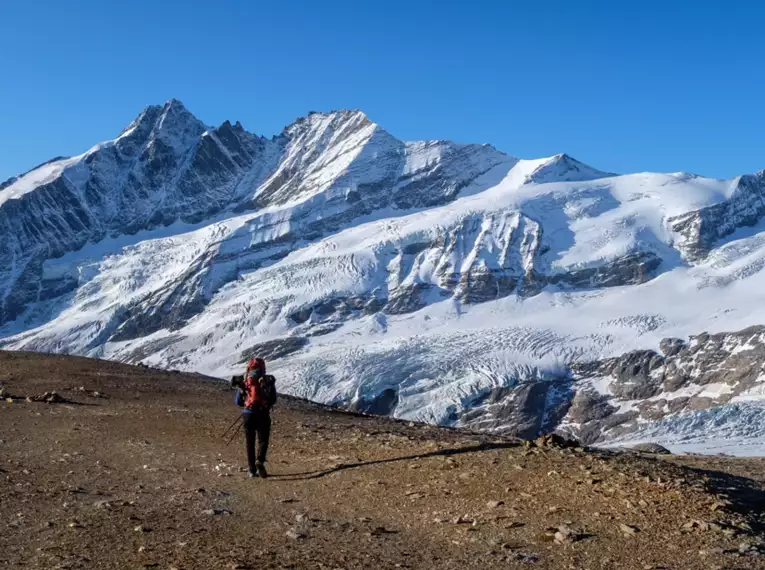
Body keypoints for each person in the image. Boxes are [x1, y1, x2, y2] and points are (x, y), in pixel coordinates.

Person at [232, 357, 277, 478]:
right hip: (263, 414)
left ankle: (251, 470)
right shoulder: (267, 380)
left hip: (248, 414)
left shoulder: (246, 380)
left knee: (249, 442)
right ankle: (260, 460)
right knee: (263, 440)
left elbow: (238, 401)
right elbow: (273, 399)